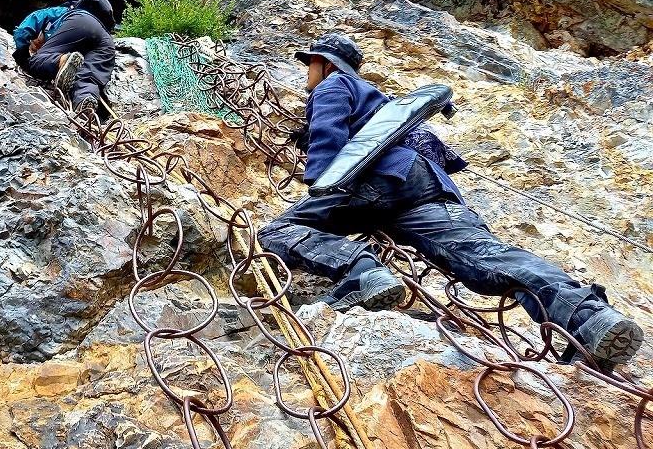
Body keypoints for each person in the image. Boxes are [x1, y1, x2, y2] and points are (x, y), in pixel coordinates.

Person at [258, 33, 645, 369]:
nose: (305, 73)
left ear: (325, 63)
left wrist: (320, 180)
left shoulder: (333, 85)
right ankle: (591, 318)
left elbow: (329, 132)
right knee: (483, 256)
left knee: (278, 229)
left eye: (309, 63)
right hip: (427, 186)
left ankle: (360, 271)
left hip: (377, 181)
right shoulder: (384, 103)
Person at [12, 0, 116, 113]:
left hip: (79, 22)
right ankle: (85, 104)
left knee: (37, 60)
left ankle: (63, 61)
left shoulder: (59, 11)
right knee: (88, 77)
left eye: (37, 41)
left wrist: (23, 56)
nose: (38, 44)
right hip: (107, 40)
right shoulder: (101, 23)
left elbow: (23, 30)